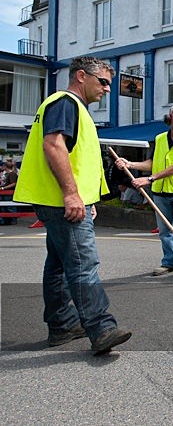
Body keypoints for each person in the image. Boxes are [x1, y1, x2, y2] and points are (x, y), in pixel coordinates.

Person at [13, 56, 131, 353]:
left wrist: (85, 196)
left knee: (58, 266)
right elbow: (53, 145)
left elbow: (78, 160)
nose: (107, 89)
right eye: (102, 82)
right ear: (81, 76)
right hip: (62, 202)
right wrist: (71, 194)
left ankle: (62, 326)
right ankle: (101, 327)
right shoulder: (66, 103)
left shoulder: (68, 107)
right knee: (82, 265)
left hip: (57, 202)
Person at [115, 104, 173, 280]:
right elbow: (151, 162)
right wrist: (130, 164)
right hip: (161, 193)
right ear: (169, 118)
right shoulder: (159, 139)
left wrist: (150, 179)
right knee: (164, 230)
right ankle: (170, 262)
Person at [1, 157, 19, 225]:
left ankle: (13, 220)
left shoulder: (12, 174)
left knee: (11, 207)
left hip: (9, 193)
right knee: (5, 207)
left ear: (5, 167)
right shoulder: (7, 174)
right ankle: (7, 220)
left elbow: (13, 183)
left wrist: (3, 188)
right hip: (6, 193)